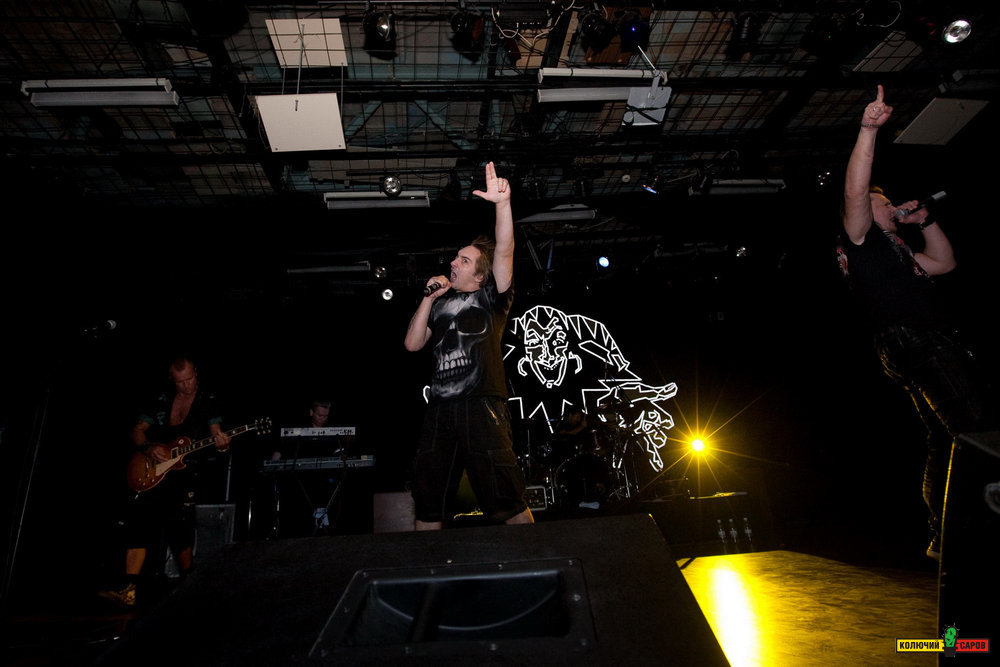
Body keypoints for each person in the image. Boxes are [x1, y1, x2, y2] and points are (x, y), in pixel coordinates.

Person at [838, 85, 991, 560]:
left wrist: (924, 220)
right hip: (915, 341)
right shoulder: (862, 239)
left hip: (916, 343)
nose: (891, 205)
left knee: (945, 437)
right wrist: (868, 130)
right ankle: (973, 524)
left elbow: (944, 263)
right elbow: (856, 191)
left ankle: (943, 535)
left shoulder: (897, 251)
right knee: (974, 428)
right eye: (884, 202)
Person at [404, 161, 534, 530]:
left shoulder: (492, 299)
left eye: (464, 260)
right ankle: (426, 566)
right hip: (440, 410)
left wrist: (502, 204)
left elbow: (504, 250)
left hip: (482, 406)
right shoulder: (439, 305)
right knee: (428, 501)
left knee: (506, 498)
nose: (453, 262)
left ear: (480, 276)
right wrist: (428, 298)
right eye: (455, 257)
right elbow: (412, 344)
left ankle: (538, 558)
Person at [99, 356, 231, 607]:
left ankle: (187, 581)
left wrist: (223, 445)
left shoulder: (208, 401)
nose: (187, 385)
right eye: (180, 382)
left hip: (184, 470)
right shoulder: (161, 399)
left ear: (196, 373)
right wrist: (148, 448)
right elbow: (137, 430)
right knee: (138, 522)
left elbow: (216, 434)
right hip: (154, 468)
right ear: (172, 380)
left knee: (179, 525)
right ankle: (129, 588)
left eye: (190, 379)